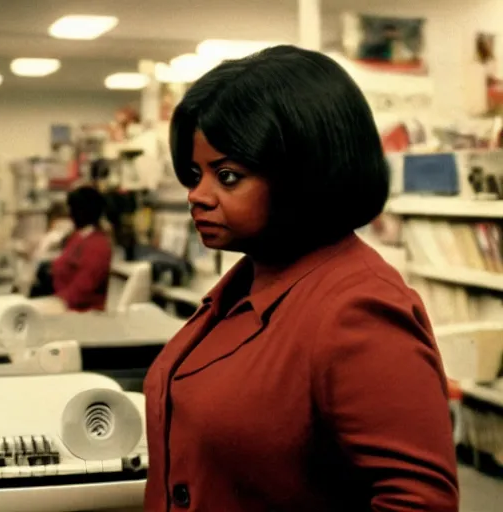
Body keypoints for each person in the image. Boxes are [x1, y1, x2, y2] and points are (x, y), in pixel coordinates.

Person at [143, 45, 458, 511]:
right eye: (194, 174)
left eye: (227, 176)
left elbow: (419, 501)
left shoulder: (357, 308)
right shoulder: (250, 282)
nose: (197, 195)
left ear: (303, 174)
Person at [50, 185, 112, 311]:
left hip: (81, 310)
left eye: (73, 208)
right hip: (64, 301)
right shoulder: (78, 236)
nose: (70, 213)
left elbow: (83, 288)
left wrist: (57, 302)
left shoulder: (98, 246)